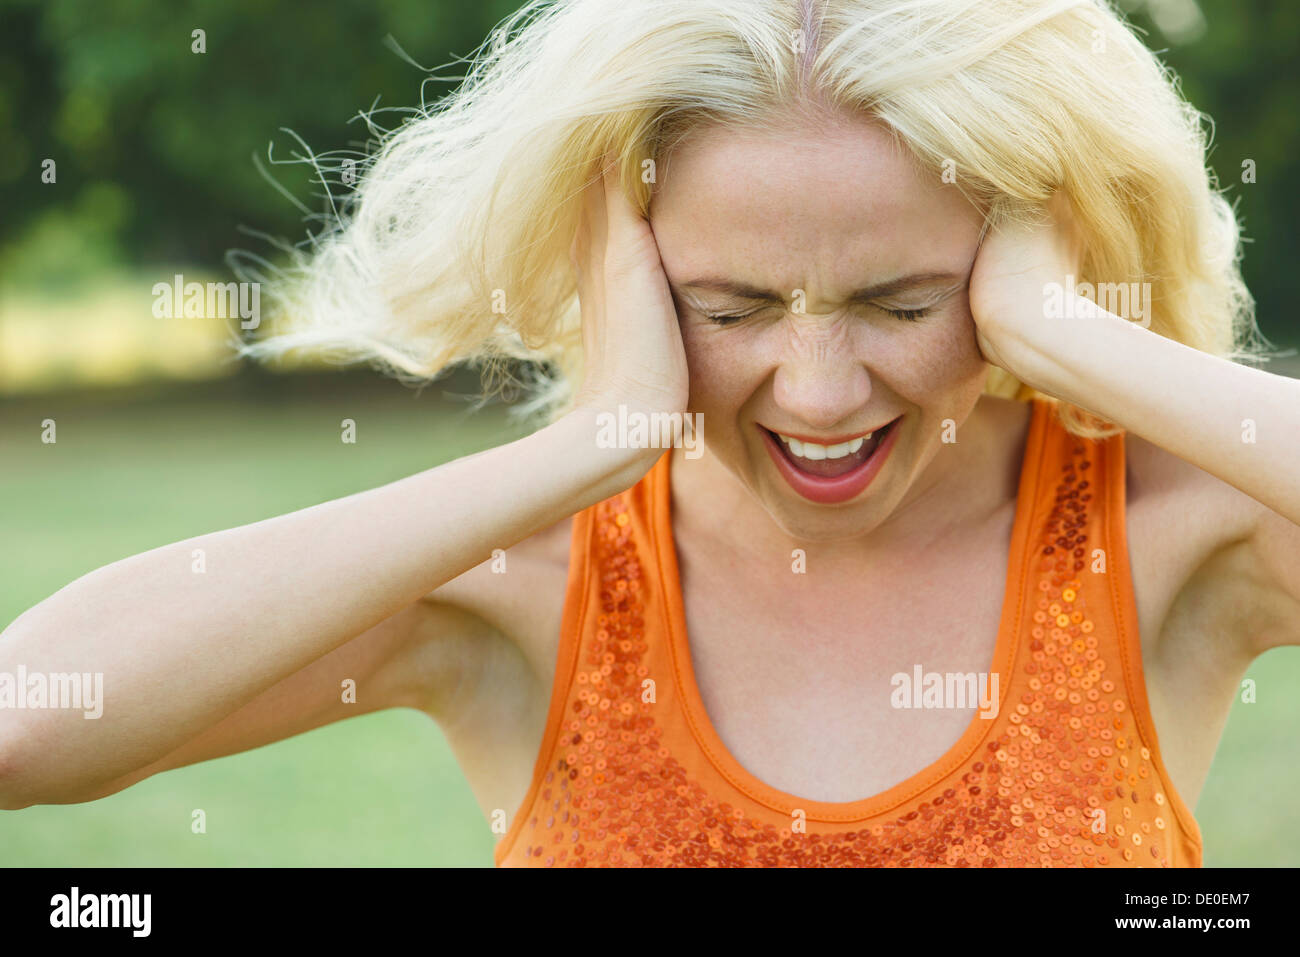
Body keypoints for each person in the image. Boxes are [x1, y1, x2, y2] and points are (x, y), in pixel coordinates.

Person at [2, 0, 1297, 867]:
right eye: (728, 307)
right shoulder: (527, 581)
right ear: (622, 274)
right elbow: (26, 729)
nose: (820, 391)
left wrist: (1080, 344)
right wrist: (584, 448)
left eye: (906, 301)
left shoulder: (1167, 533)